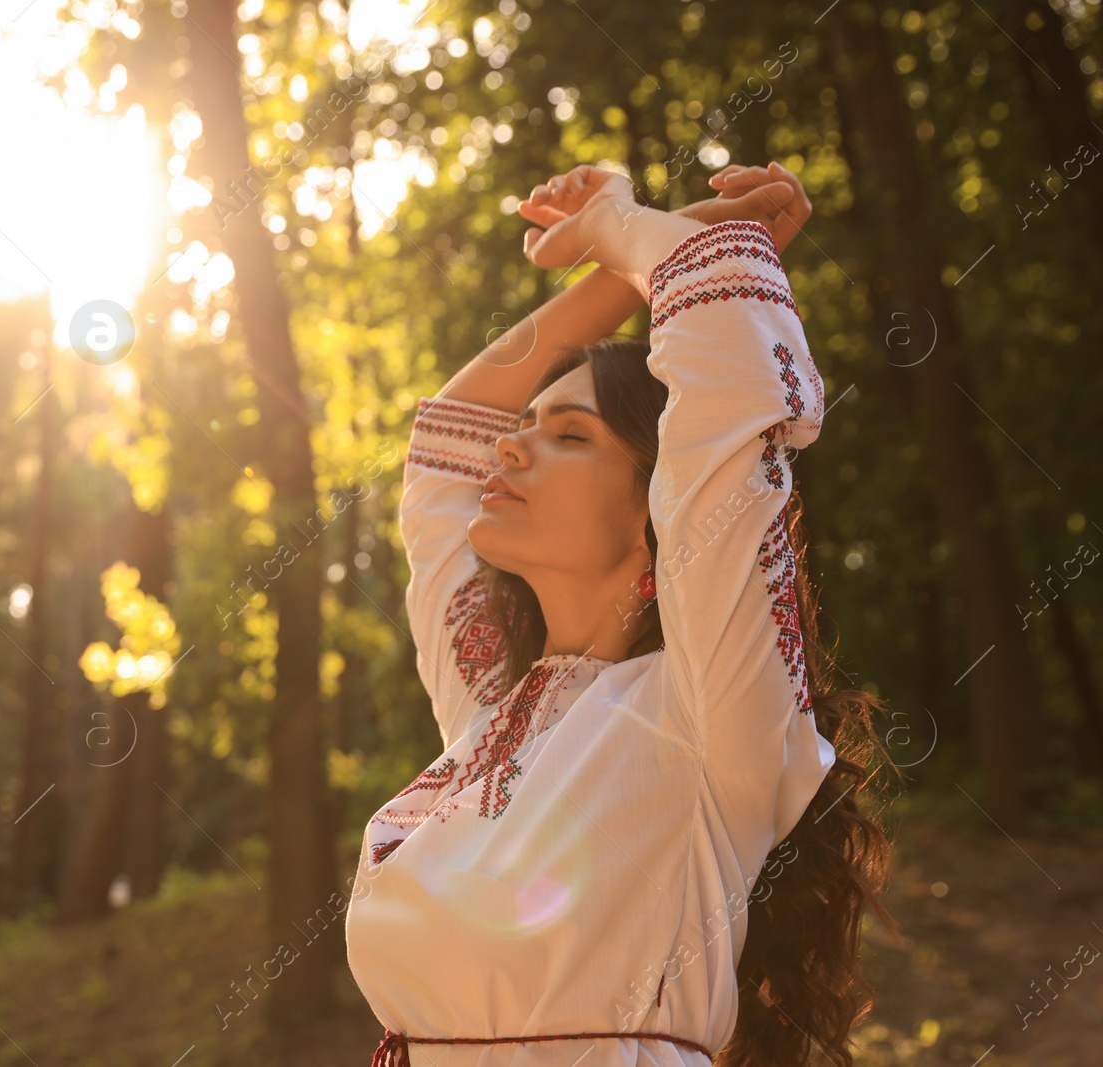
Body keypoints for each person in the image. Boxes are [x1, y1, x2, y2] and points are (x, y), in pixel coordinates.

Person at [344, 163, 899, 1067]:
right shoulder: (492, 708)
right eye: (530, 424)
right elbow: (454, 425)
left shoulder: (710, 706)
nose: (511, 442)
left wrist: (635, 227)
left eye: (570, 435)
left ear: (662, 514)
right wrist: (631, 254)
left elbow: (725, 384)